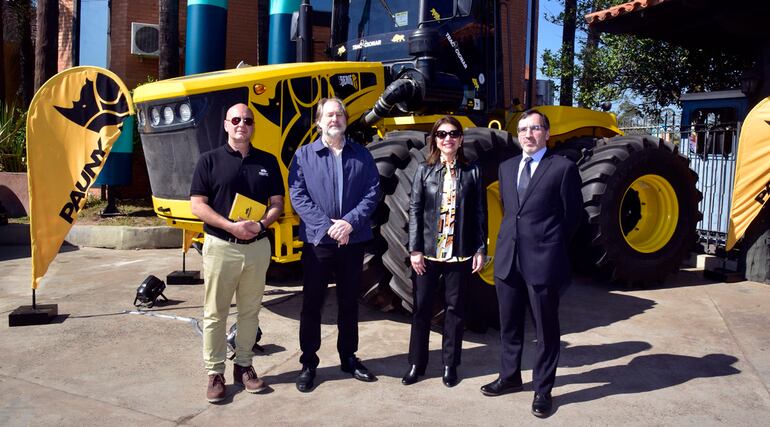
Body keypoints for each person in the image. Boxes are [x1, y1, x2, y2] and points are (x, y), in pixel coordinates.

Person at [481, 109, 582, 418]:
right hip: (508, 258)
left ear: (547, 134)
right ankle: (510, 377)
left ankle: (543, 388)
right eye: (523, 129)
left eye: (535, 128)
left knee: (545, 327)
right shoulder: (507, 167)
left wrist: (549, 245)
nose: (528, 134)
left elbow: (573, 216)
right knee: (509, 323)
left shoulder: (562, 168)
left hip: (543, 260)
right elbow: (511, 211)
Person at [190, 103, 285, 403]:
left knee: (250, 311)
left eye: (247, 120)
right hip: (221, 247)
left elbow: (277, 204)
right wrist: (231, 227)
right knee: (215, 313)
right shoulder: (209, 161)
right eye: (236, 120)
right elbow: (198, 205)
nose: (242, 124)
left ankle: (243, 366)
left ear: (252, 126)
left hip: (257, 248)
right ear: (226, 125)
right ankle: (215, 372)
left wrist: (260, 224)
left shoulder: (267, 161)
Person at [288, 97, 381, 392]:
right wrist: (328, 227)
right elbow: (298, 195)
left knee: (349, 302)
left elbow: (373, 192)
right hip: (318, 242)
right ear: (318, 122)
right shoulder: (304, 156)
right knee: (312, 304)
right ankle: (308, 363)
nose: (335, 119)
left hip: (352, 240)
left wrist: (349, 223)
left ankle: (349, 357)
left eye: (339, 114)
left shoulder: (362, 155)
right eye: (329, 115)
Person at [402, 116, 486, 388]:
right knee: (421, 309)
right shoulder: (424, 171)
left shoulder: (472, 172)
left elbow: (479, 214)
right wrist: (414, 249)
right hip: (427, 254)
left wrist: (480, 248)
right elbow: (414, 210)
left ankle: (450, 365)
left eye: (453, 134)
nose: (447, 138)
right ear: (435, 140)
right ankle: (417, 363)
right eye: (441, 134)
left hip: (459, 255)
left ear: (460, 139)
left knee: (455, 310)